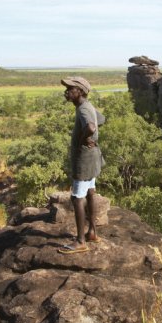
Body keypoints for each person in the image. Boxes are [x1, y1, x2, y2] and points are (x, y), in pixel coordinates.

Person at [59, 76, 104, 254]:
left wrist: (81, 139)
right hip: (92, 157)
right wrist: (89, 138)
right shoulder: (87, 106)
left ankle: (80, 241)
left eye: (70, 88)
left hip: (84, 160)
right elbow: (101, 119)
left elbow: (92, 127)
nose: (67, 91)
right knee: (90, 192)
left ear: (80, 91)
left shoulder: (83, 109)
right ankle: (92, 232)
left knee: (77, 198)